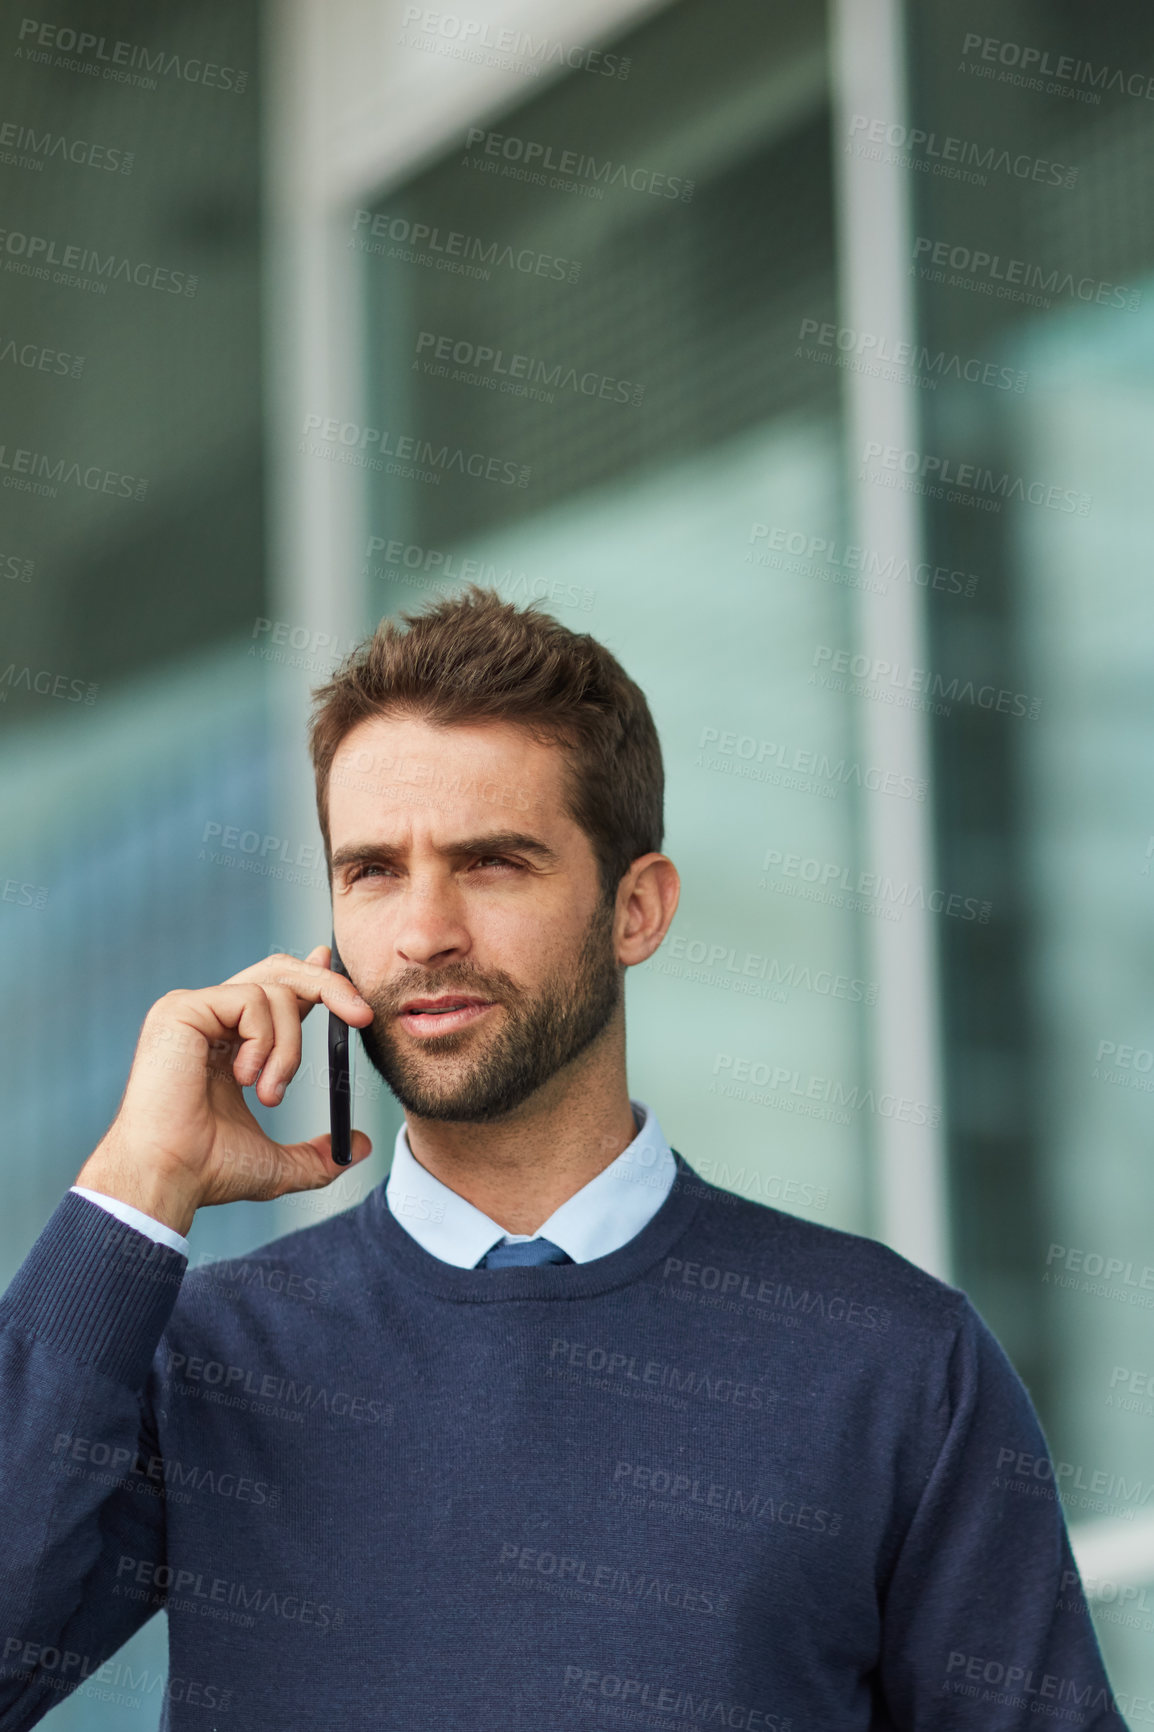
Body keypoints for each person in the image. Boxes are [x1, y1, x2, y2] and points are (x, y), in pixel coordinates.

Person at [0, 586, 1128, 1730]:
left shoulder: (892, 1359)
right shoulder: (205, 1362)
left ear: (635, 908)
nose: (424, 930)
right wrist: (135, 1185)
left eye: (492, 863)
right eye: (373, 870)